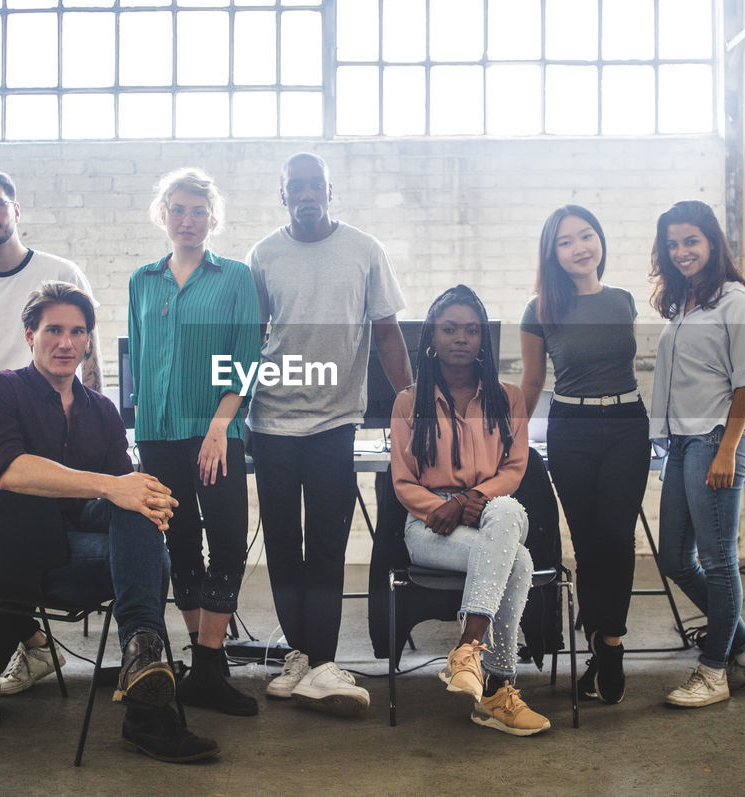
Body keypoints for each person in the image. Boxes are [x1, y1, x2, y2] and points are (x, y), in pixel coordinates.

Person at [0, 281, 218, 762]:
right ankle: (148, 709)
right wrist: (111, 486)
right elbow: (9, 471)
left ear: (88, 341)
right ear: (29, 334)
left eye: (78, 332)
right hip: (21, 552)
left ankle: (141, 656)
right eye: (53, 330)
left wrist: (147, 496)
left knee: (141, 506)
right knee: (146, 553)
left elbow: (124, 493)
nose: (66, 343)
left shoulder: (101, 408)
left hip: (83, 544)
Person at [246, 152, 412, 716]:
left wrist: (410, 406)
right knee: (282, 547)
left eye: (316, 185)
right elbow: (252, 338)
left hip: (334, 423)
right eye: (296, 186)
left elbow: (388, 335)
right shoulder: (263, 255)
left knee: (327, 546)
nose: (307, 194)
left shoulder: (365, 251)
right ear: (283, 194)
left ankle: (321, 659)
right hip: (269, 422)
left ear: (330, 191)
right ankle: (300, 656)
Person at [0, 168, 101, 701]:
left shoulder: (58, 271)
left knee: (21, 549)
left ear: (15, 209)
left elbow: (87, 352)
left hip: (47, 436)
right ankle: (31, 638)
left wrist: (96, 419)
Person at [128, 168, 260, 716]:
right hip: (158, 434)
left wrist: (218, 428)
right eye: (178, 210)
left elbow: (247, 359)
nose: (187, 220)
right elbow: (136, 359)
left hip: (217, 433)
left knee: (227, 542)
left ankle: (209, 664)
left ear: (213, 218)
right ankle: (203, 661)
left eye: (198, 211)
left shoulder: (235, 277)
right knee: (179, 546)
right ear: (164, 214)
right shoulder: (142, 280)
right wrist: (137, 435)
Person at [389, 285, 549, 736]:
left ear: (483, 341)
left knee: (506, 511)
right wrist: (445, 506)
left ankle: (468, 648)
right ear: (432, 339)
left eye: (472, 330)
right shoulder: (409, 401)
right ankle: (498, 690)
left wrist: (464, 501)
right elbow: (402, 481)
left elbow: (516, 467)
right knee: (517, 560)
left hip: (486, 512)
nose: (461, 337)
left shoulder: (508, 398)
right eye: (450, 328)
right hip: (428, 525)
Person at [649, 200, 745, 708]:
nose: (681, 252)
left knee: (718, 562)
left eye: (691, 241)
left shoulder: (732, 300)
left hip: (715, 440)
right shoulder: (682, 303)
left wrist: (727, 449)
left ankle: (714, 672)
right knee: (675, 559)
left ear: (711, 243)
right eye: (673, 243)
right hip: (683, 444)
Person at [519, 205, 650, 705]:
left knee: (618, 535)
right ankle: (599, 642)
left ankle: (609, 642)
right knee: (589, 541)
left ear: (600, 241)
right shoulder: (541, 309)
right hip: (570, 428)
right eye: (566, 241)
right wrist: (510, 435)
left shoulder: (622, 301)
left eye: (586, 235)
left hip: (625, 425)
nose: (579, 247)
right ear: (553, 254)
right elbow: (533, 381)